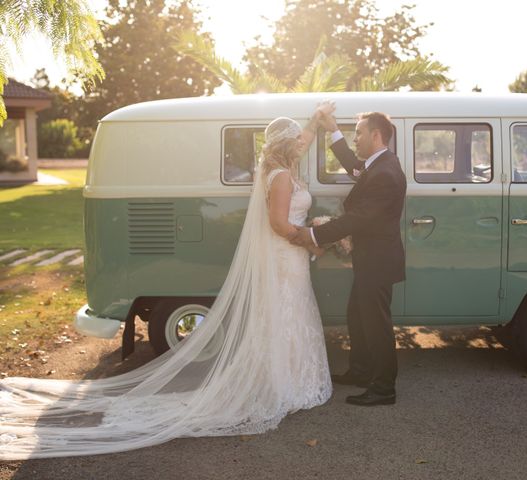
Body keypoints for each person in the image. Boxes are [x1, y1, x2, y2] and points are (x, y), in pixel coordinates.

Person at [0, 110, 334, 460]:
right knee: (284, 314)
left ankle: (289, 381)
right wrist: (312, 239)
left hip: (289, 258)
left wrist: (315, 123)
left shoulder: (279, 169)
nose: (301, 146)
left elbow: (300, 149)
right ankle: (283, 386)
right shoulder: (281, 177)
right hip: (286, 254)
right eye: (296, 141)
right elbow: (280, 225)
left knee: (287, 315)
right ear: (285, 145)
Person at [290, 110, 407, 407]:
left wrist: (314, 236)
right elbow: (355, 167)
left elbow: (359, 218)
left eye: (358, 133)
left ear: (376, 136)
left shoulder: (386, 173)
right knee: (358, 315)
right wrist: (333, 131)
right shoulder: (377, 165)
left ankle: (383, 389)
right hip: (371, 258)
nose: (356, 139)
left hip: (378, 260)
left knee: (376, 323)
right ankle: (360, 371)